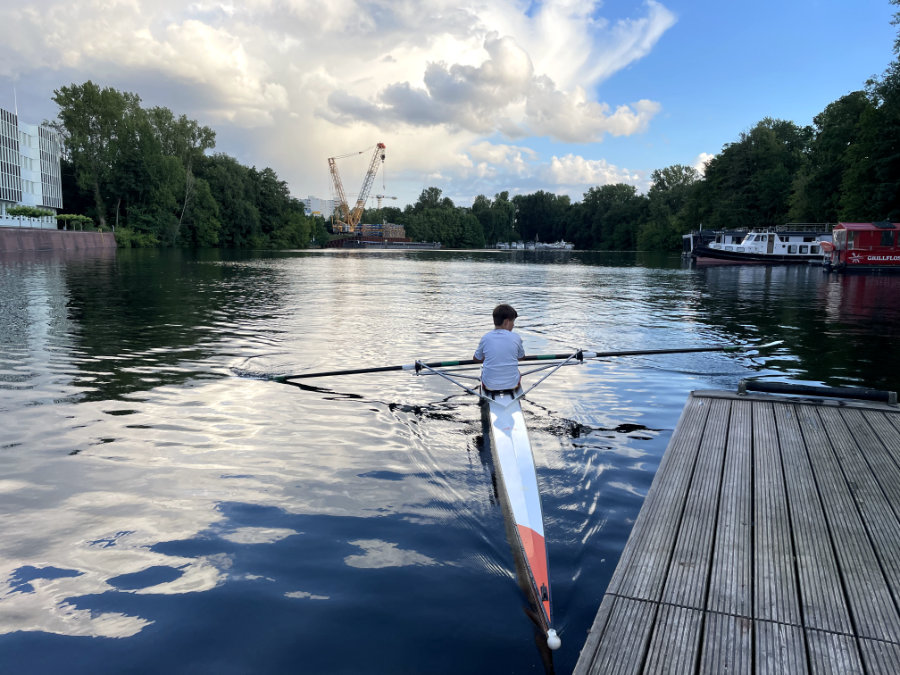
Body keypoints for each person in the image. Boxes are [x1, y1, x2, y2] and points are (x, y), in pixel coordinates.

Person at [473, 304, 525, 392]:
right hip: (512, 384)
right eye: (513, 322)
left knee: (484, 369)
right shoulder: (516, 337)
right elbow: (521, 358)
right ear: (506, 322)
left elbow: (476, 359)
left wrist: (488, 358)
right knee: (518, 371)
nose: (513, 325)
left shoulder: (485, 338)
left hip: (489, 385)